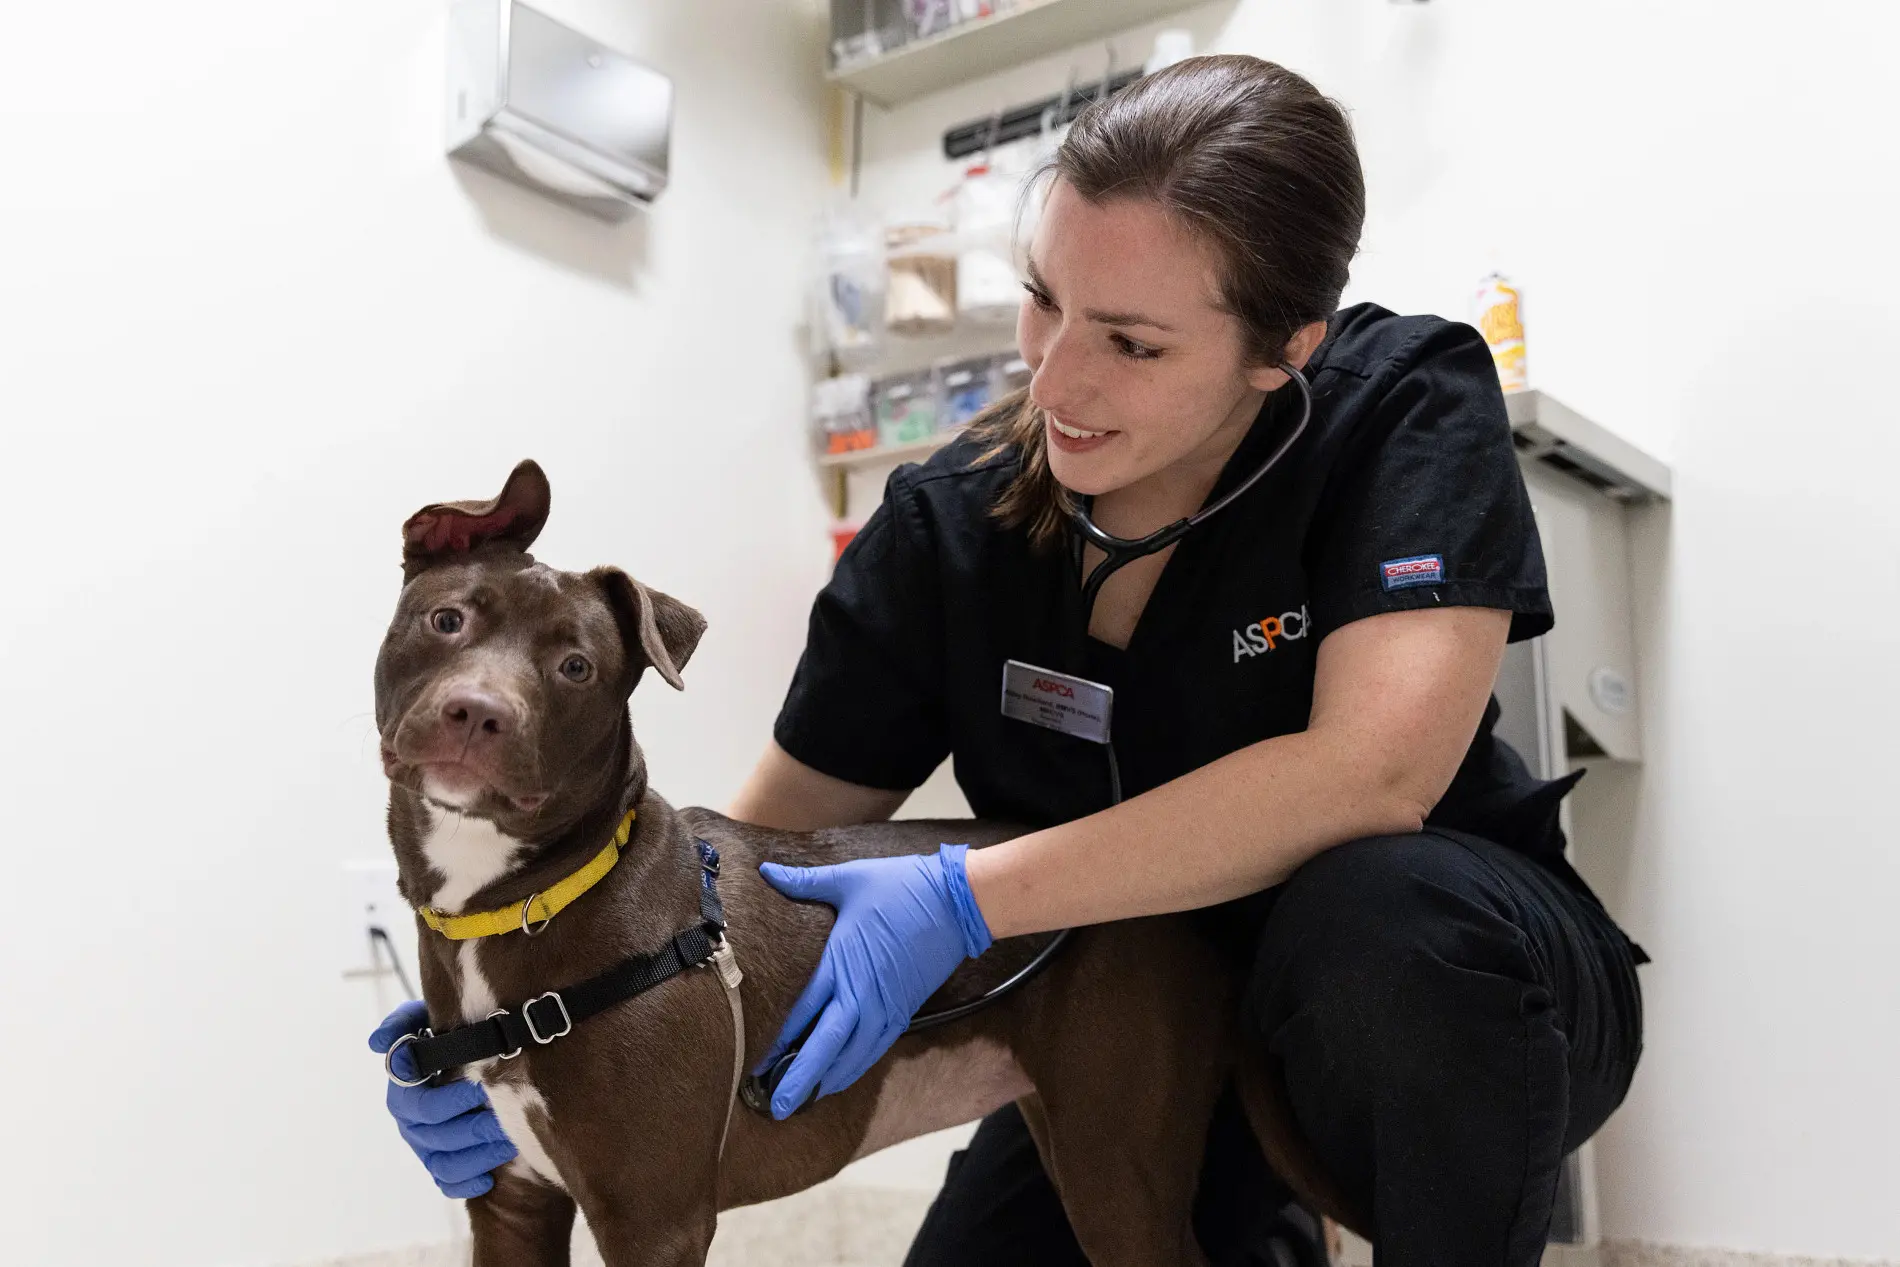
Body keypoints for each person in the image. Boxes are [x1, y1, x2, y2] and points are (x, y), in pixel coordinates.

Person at [372, 55, 1645, 1267]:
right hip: (1095, 1002)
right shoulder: (946, 523)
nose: (1056, 378)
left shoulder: (1402, 406)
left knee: (1384, 924)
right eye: (1044, 300)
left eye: (1132, 343)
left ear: (1283, 350)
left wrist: (967, 898)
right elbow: (753, 868)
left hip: (1423, 998)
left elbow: (1369, 778)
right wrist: (557, 994)